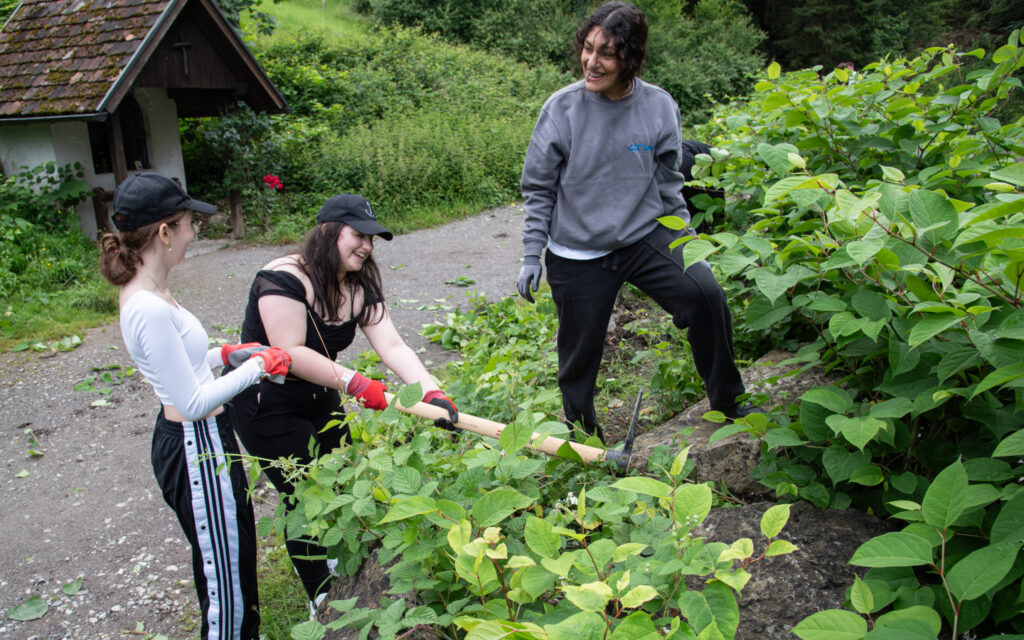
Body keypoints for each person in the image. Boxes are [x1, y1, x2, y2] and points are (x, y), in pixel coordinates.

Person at [516, 1, 758, 440]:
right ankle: (586, 442)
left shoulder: (659, 107)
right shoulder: (562, 110)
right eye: (588, 49)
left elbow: (669, 182)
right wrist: (533, 253)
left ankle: (729, 401)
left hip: (643, 235)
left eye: (605, 53)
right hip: (577, 249)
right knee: (578, 356)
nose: (591, 62)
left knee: (705, 295)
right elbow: (538, 188)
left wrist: (685, 238)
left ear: (629, 58)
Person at [226, 193, 458, 615]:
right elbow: (290, 350)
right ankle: (322, 600)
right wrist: (358, 384)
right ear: (329, 231)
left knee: (340, 481)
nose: (367, 245)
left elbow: (392, 343)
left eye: (372, 237)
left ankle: (347, 567)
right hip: (266, 400)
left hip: (319, 392)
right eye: (359, 234)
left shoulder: (358, 284)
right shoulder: (283, 279)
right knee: (302, 494)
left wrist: (431, 391)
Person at [98, 173, 292, 640]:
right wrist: (260, 365)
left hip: (206, 439)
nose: (194, 233)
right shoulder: (146, 306)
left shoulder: (155, 291)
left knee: (238, 566)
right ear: (164, 232)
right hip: (195, 445)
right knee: (226, 588)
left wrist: (226, 355)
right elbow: (190, 399)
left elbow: (182, 366)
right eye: (189, 224)